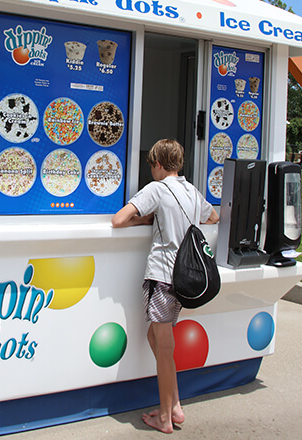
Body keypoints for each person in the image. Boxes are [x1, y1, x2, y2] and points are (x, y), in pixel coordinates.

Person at [112, 139, 219, 434]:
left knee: (164, 346)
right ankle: (175, 406)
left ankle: (165, 416)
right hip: (185, 277)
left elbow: (118, 219)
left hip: (163, 276)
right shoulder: (191, 190)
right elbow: (213, 216)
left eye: (151, 166)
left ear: (158, 164)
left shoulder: (157, 189)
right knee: (156, 338)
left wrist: (143, 220)